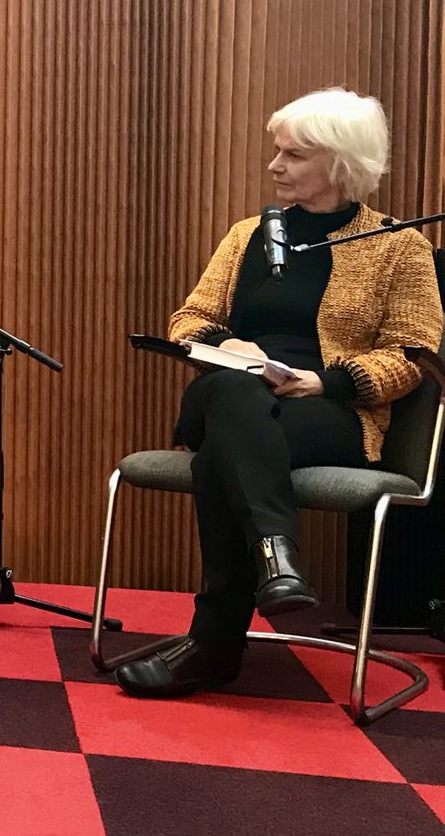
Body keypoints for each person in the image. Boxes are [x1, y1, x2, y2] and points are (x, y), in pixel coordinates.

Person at [116, 87, 443, 699]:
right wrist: (229, 347)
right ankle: (275, 556)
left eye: (292, 155)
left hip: (329, 409)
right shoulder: (247, 236)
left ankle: (215, 643)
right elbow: (188, 320)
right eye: (277, 152)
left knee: (224, 451)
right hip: (227, 388)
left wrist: (327, 380)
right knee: (235, 399)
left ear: (340, 163)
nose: (275, 166)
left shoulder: (399, 246)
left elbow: (413, 355)